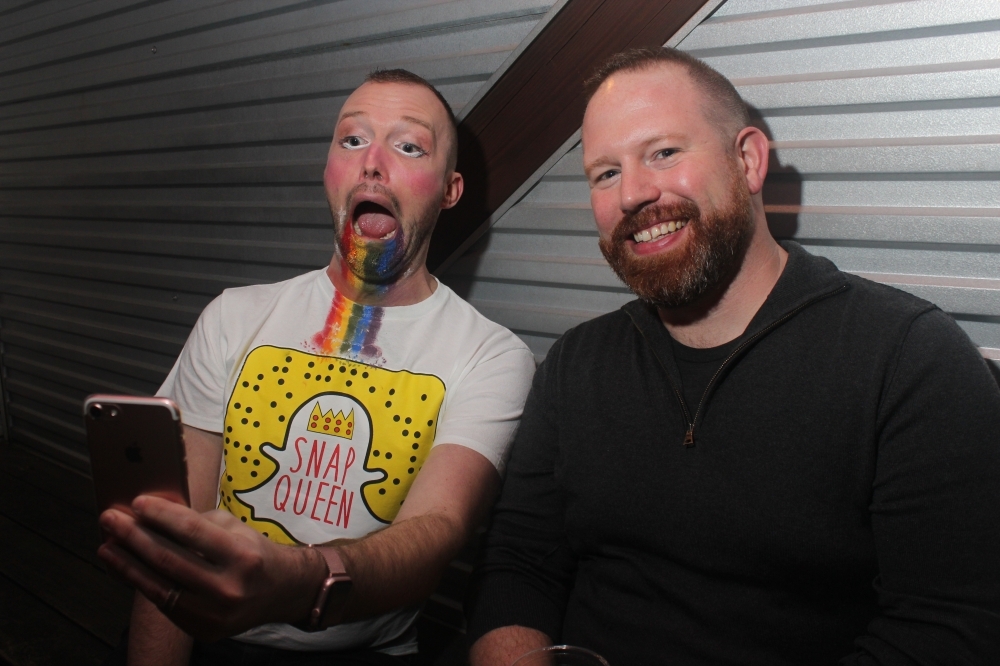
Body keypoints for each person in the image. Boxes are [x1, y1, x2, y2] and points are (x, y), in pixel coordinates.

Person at [466, 48, 1000, 666]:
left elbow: (950, 627)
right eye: (605, 173)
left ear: (747, 160)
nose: (633, 193)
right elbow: (519, 561)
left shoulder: (908, 358)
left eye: (663, 152)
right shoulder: (576, 364)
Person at [97, 69, 536, 666]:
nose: (372, 163)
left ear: (449, 190)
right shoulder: (233, 317)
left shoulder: (490, 354)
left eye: (409, 146)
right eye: (353, 140)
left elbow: (436, 531)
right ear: (328, 170)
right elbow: (173, 530)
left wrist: (298, 582)